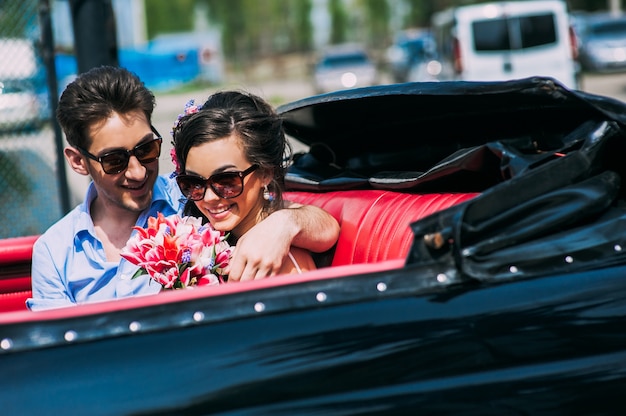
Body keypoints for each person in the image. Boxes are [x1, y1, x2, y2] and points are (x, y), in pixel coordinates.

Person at [27, 66, 339, 311]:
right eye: (115, 160)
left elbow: (316, 222)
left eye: (147, 149)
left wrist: (285, 224)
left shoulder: (195, 200)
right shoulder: (54, 253)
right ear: (79, 162)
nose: (137, 172)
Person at [172, 91, 319, 279]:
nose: (209, 197)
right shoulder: (202, 243)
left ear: (266, 172)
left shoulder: (277, 260)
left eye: (226, 181)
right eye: (193, 183)